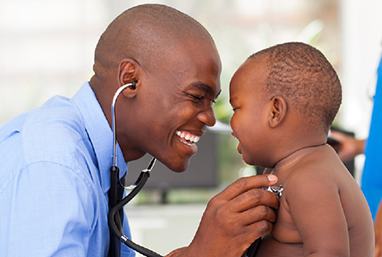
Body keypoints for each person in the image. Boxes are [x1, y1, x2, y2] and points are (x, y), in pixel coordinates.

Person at [0, 4, 280, 257]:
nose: (208, 117)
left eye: (212, 102)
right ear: (130, 80)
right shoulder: (53, 166)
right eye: (196, 96)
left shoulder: (101, 162)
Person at [229, 42, 374, 256]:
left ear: (275, 112)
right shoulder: (291, 168)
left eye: (236, 108)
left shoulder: (310, 179)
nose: (230, 124)